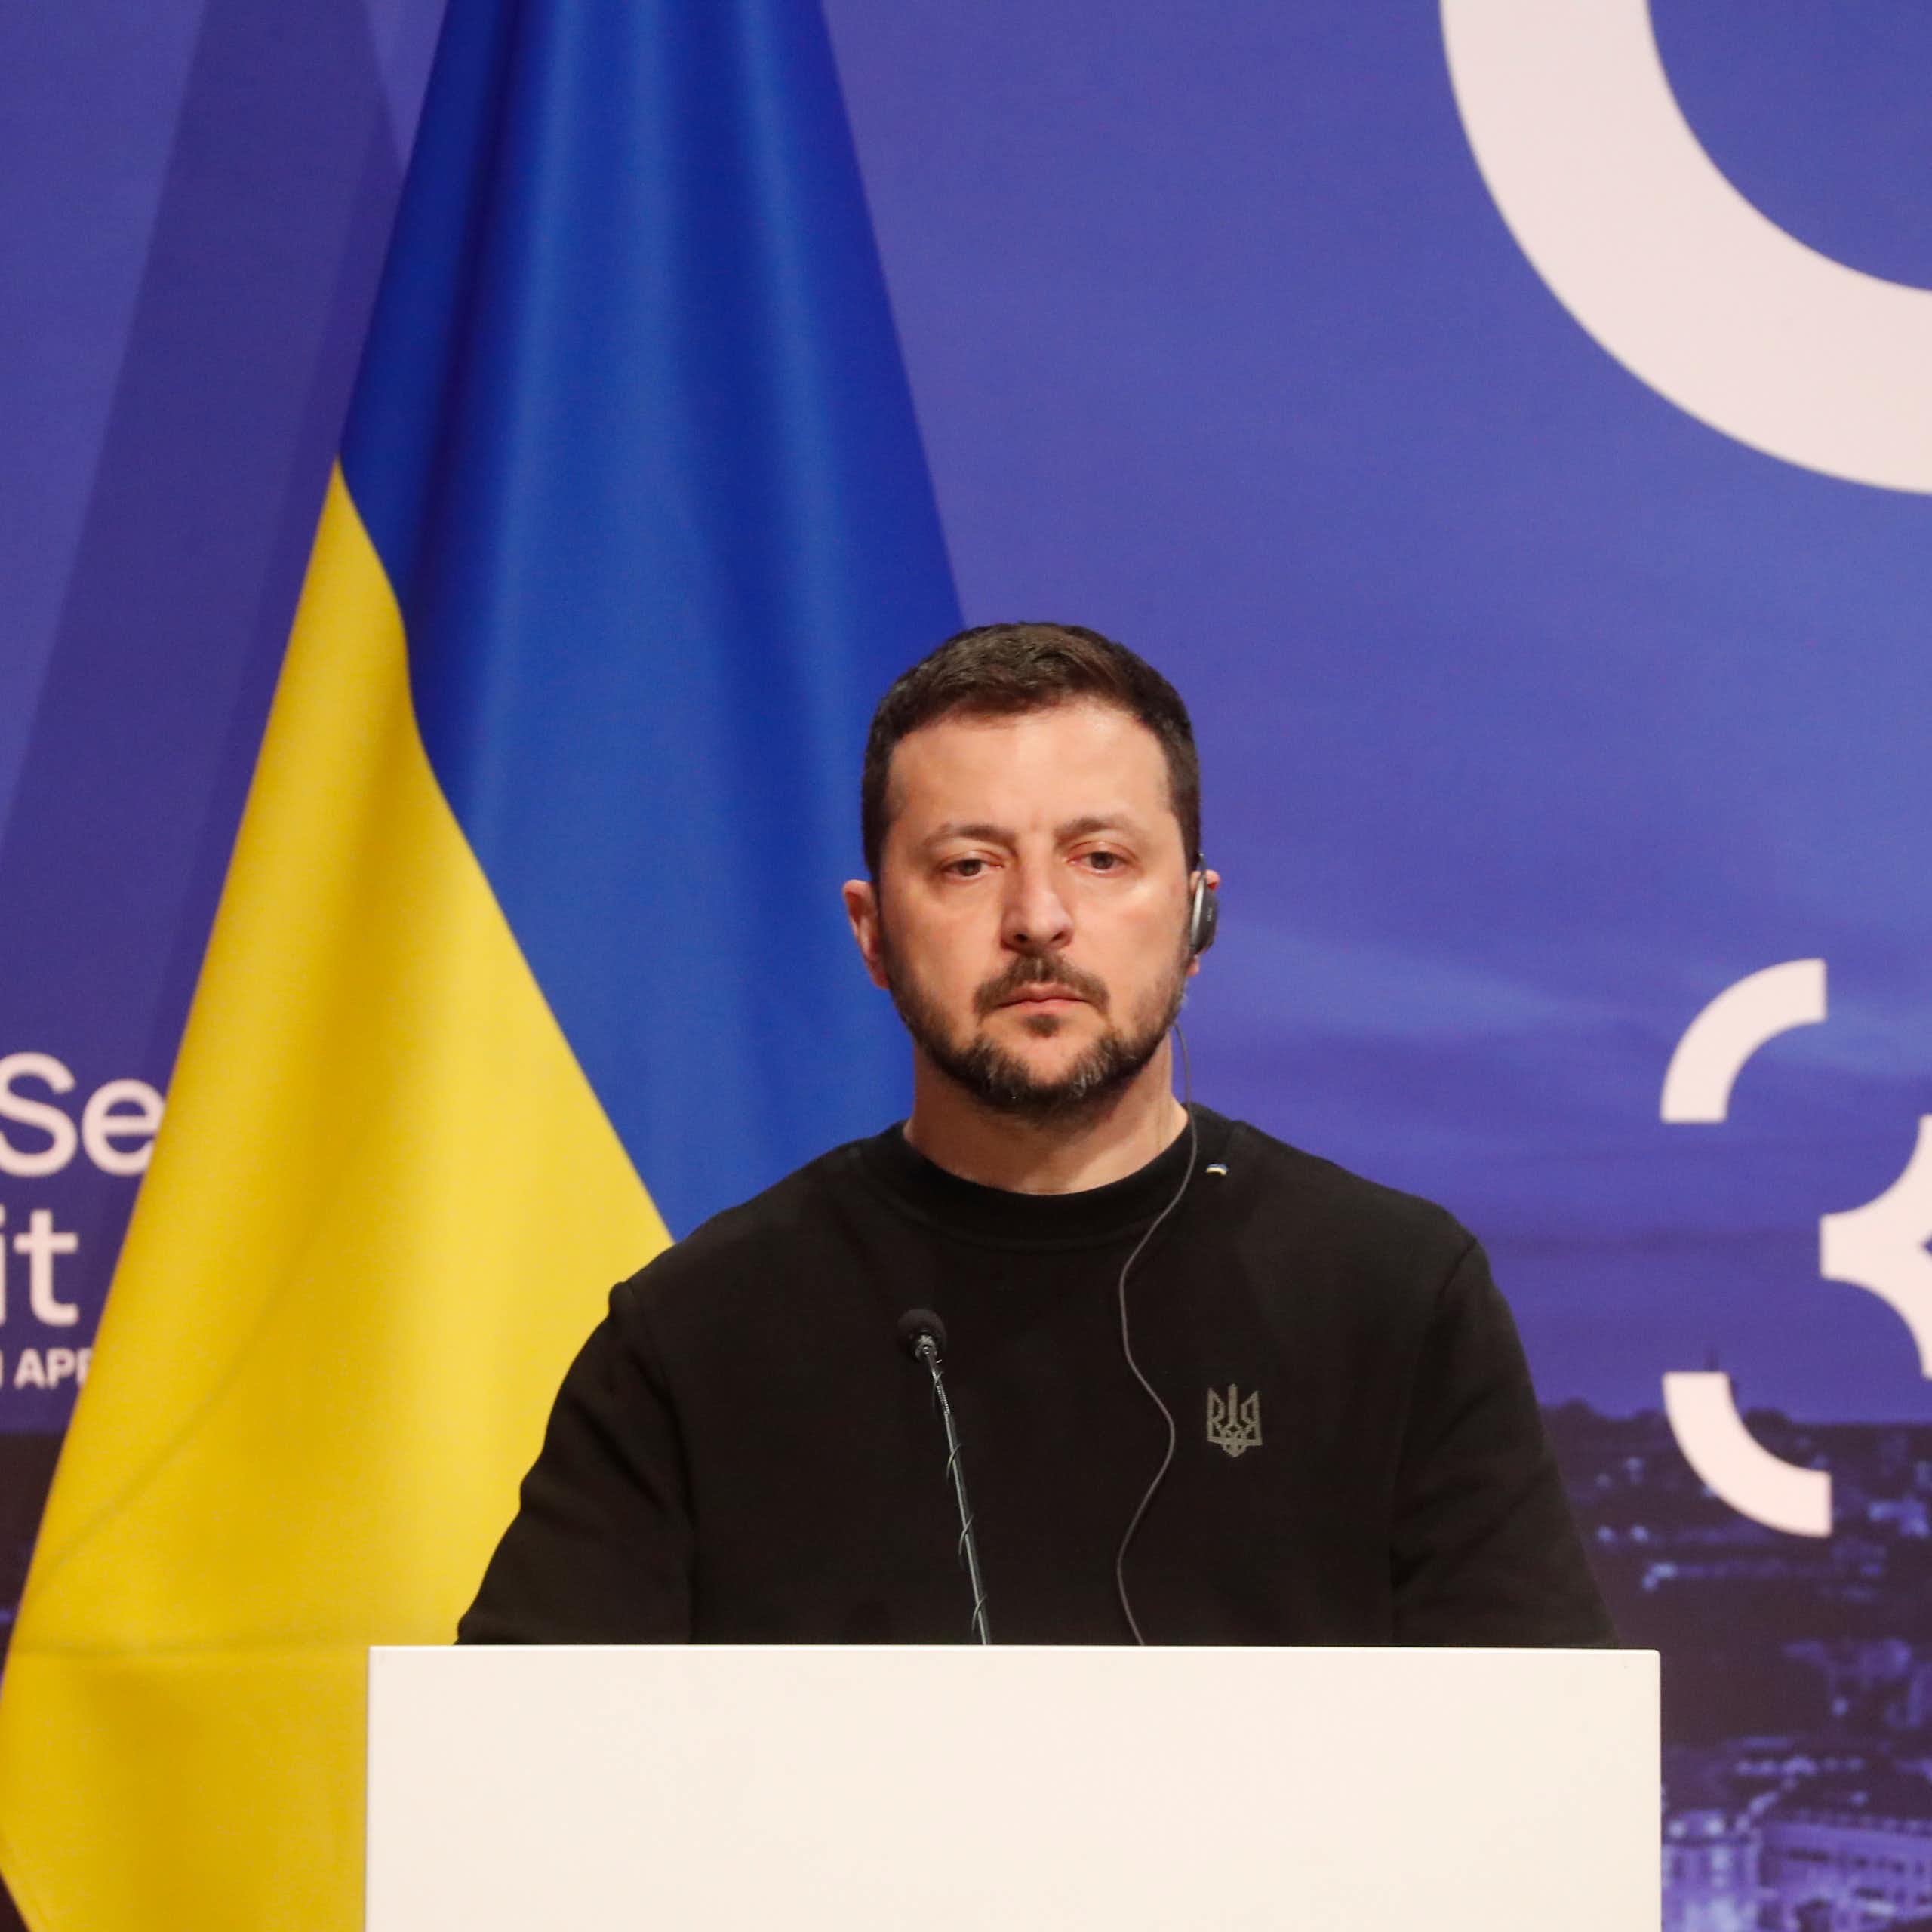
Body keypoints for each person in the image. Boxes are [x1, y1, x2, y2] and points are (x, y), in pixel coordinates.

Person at [459, 623, 1614, 1647]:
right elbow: (516, 1778)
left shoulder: (1395, 1299)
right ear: (872, 932)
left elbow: (1542, 1767)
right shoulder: (698, 1334)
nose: (1039, 919)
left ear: (1198, 914)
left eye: (1101, 859)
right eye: (968, 866)